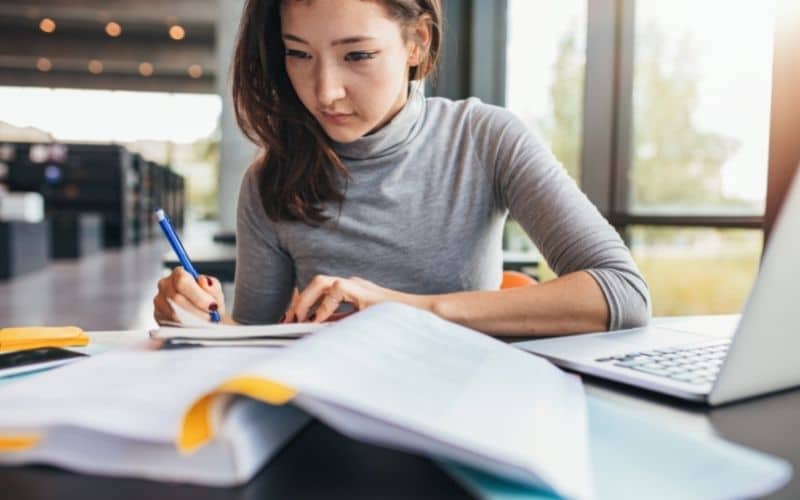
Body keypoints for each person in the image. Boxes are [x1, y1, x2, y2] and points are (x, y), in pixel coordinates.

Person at [153, 0, 651, 336]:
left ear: (416, 43)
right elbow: (254, 341)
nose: (324, 91)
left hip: (461, 411)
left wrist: (406, 309)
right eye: (298, 54)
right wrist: (198, 321)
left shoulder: (485, 139)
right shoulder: (269, 180)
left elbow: (623, 294)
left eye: (358, 55)